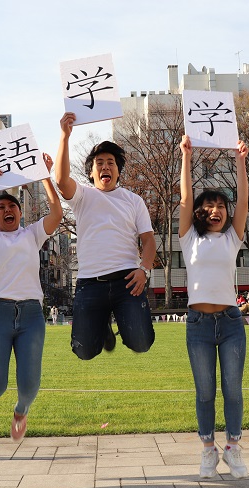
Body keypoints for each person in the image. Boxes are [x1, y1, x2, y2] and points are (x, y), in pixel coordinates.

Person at [0, 156, 62, 442]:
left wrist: (44, 175)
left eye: (12, 207)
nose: (7, 210)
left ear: (20, 214)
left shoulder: (32, 235)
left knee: (30, 385)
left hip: (31, 314)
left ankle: (21, 412)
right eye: (1, 208)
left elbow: (56, 213)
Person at [53, 112, 156, 359]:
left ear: (118, 171)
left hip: (127, 280)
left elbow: (149, 240)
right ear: (91, 173)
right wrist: (65, 137)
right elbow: (60, 180)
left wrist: (144, 269)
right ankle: (102, 326)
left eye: (110, 162)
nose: (105, 166)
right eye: (99, 163)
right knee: (85, 351)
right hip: (90, 283)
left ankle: (121, 318)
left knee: (141, 343)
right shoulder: (82, 196)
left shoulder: (134, 201)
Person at [178, 134, 249, 479]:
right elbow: (184, 198)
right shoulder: (188, 238)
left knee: (232, 389)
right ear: (199, 214)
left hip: (231, 322)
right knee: (205, 390)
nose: (216, 210)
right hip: (199, 326)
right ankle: (208, 448)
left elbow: (244, 204)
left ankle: (233, 446)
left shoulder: (232, 237)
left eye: (221, 206)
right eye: (209, 207)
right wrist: (186, 157)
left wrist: (240, 160)